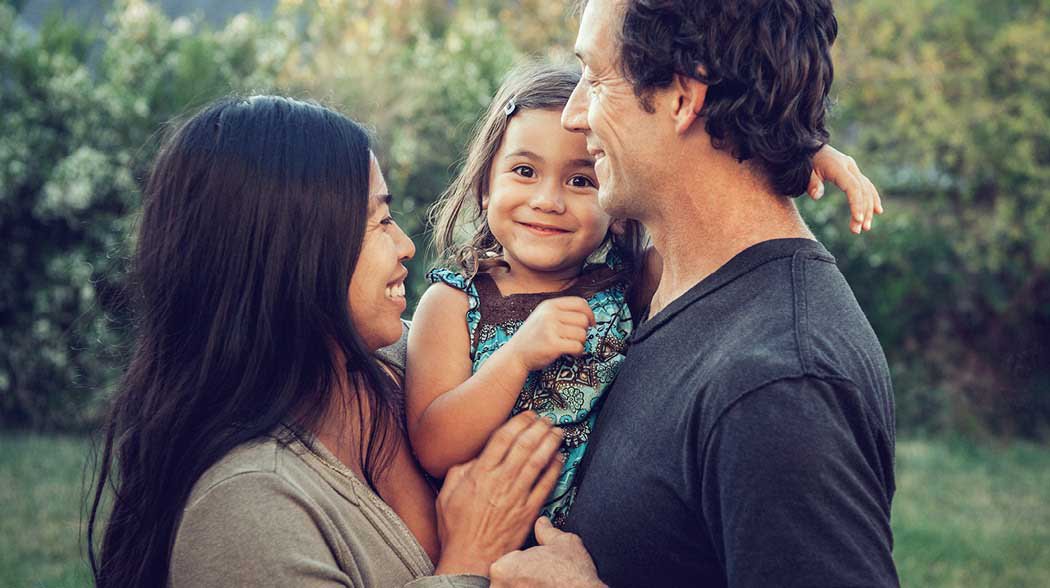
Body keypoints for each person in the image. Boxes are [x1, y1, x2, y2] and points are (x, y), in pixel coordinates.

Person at [490, 0, 899, 586]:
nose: (574, 115)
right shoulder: (656, 290)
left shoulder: (781, 384)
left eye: (597, 78)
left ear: (682, 100)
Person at [86, 95, 564, 587]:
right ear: (292, 255)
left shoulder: (408, 364)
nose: (406, 245)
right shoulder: (246, 507)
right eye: (379, 221)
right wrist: (469, 559)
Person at [406, 61, 882, 530]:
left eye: (580, 180)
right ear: (485, 186)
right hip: (491, 545)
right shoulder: (453, 303)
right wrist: (517, 357)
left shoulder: (623, 283)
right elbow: (433, 445)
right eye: (525, 171)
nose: (547, 200)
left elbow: (712, 223)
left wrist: (798, 151)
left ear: (612, 199)